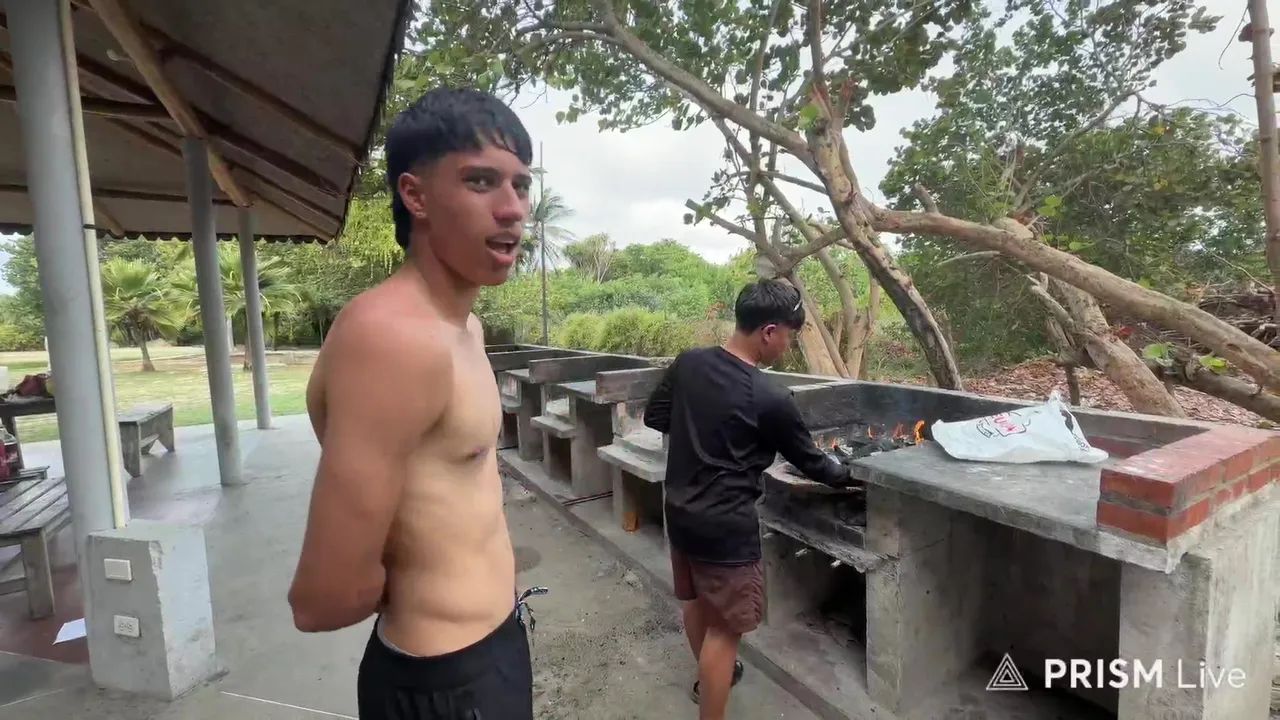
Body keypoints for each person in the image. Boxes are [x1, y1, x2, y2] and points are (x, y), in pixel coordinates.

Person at [287, 87, 536, 720]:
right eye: (480, 181)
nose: (512, 209)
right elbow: (324, 596)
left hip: (492, 646)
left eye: (521, 185)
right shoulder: (392, 338)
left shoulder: (464, 326)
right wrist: (427, 591)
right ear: (415, 196)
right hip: (444, 682)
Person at [643, 279, 857, 720]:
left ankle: (709, 679)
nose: (788, 346)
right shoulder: (769, 397)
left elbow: (655, 415)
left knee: (694, 603)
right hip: (726, 529)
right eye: (789, 336)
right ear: (769, 331)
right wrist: (855, 478)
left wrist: (700, 435)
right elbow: (813, 463)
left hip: (679, 509)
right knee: (725, 631)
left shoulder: (690, 362)